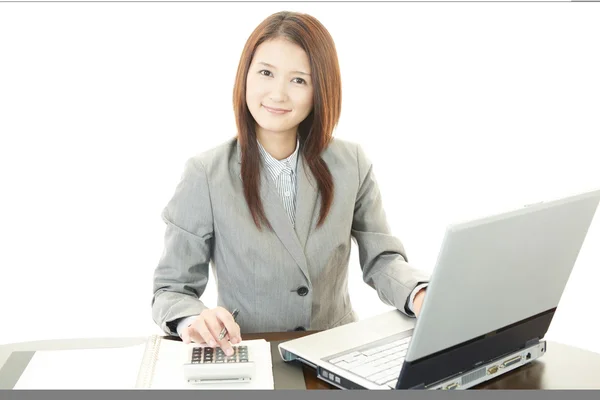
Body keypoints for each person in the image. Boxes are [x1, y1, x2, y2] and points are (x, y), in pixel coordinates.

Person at [151, 11, 430, 357]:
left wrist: (421, 294)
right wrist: (195, 319)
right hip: (250, 354)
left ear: (320, 90)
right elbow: (172, 289)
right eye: (266, 73)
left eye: (299, 80)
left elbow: (382, 260)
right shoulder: (206, 174)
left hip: (338, 353)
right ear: (246, 76)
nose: (278, 94)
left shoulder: (351, 163)